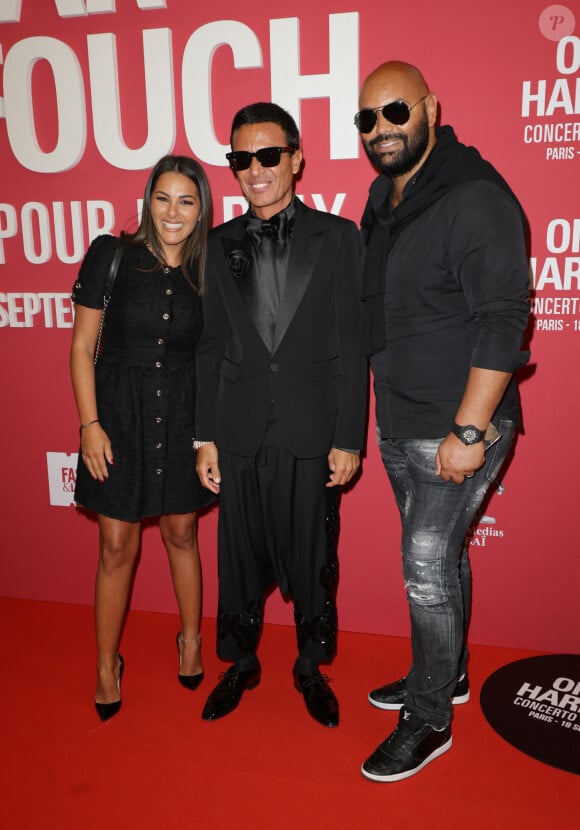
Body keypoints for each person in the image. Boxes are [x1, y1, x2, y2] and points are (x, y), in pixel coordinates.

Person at [355, 62, 530, 780]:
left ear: (429, 107)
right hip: (400, 420)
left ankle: (429, 718)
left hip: (458, 428)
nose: (381, 129)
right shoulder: (384, 199)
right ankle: (446, 673)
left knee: (426, 569)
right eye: (367, 119)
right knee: (444, 562)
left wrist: (466, 434)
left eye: (395, 111)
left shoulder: (473, 196)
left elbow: (503, 322)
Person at [194, 102, 367, 727]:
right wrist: (204, 436)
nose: (256, 169)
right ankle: (240, 662)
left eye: (269, 155)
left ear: (296, 158)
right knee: (236, 555)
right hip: (238, 429)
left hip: (311, 428)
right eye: (242, 158)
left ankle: (309, 665)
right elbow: (211, 346)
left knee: (312, 553)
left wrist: (349, 437)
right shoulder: (217, 245)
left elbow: (353, 345)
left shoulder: (340, 237)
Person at [70, 155, 215, 721]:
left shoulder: (210, 271)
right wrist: (90, 424)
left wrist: (208, 436)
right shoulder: (112, 255)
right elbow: (83, 347)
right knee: (115, 548)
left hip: (183, 417)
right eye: (162, 198)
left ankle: (191, 641)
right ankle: (107, 664)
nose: (172, 212)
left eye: (186, 200)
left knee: (182, 533)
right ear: (147, 200)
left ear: (201, 208)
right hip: (118, 419)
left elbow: (216, 356)